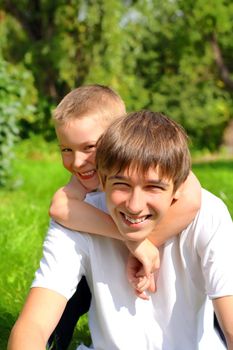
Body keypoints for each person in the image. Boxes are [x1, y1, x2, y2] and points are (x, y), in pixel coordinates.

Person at [8, 111, 233, 349]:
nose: (135, 206)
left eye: (153, 187)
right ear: (102, 181)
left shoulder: (208, 214)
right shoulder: (78, 219)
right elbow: (33, 325)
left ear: (179, 187)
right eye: (121, 185)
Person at [47, 85, 201, 349]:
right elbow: (60, 208)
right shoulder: (83, 179)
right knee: (70, 294)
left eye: (89, 147)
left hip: (157, 255)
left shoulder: (148, 166)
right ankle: (55, 339)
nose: (77, 162)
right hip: (100, 259)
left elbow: (192, 199)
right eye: (66, 149)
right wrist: (133, 243)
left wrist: (147, 243)